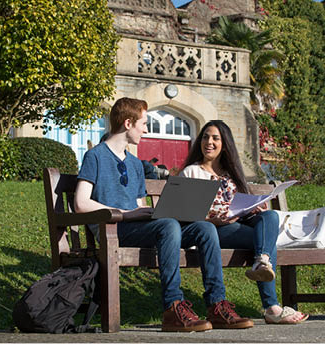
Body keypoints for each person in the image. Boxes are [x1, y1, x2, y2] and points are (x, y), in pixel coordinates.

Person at [74, 97, 253, 332]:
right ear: (128, 123)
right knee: (168, 225)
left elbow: (139, 205)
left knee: (205, 228)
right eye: (144, 123)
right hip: (113, 230)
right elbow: (80, 203)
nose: (146, 129)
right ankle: (173, 307)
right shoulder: (95, 156)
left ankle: (217, 305)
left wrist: (159, 211)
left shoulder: (136, 164)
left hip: (139, 227)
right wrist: (127, 214)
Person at [179, 120, 309, 324]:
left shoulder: (231, 175)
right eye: (205, 137)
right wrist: (213, 219)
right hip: (212, 232)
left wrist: (252, 208)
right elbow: (185, 213)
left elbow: (239, 207)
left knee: (270, 217)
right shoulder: (191, 172)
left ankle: (261, 263)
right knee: (266, 240)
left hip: (237, 225)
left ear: (225, 144)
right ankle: (271, 307)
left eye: (215, 138)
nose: (209, 142)